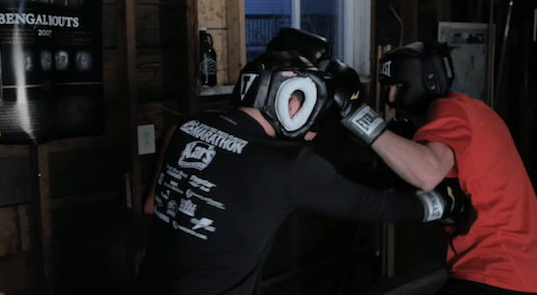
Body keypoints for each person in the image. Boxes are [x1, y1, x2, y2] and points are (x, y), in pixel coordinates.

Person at [135, 29, 467, 295]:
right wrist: (440, 204)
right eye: (308, 108)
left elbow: (152, 205)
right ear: (288, 100)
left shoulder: (188, 127)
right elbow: (376, 207)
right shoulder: (286, 164)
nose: (310, 133)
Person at [331, 40, 537, 294]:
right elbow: (402, 175)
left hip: (496, 270)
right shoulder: (471, 113)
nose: (391, 97)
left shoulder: (449, 108)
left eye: (398, 85)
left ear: (428, 79)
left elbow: (427, 173)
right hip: (512, 270)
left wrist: (355, 114)